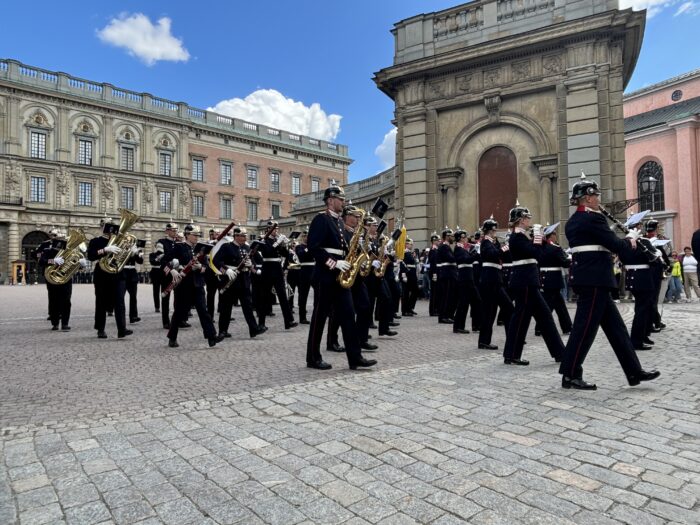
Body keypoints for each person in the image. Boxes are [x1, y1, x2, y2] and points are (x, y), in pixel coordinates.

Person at [559, 175, 660, 389]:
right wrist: (631, 239)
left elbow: (600, 241)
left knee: (617, 329)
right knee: (584, 328)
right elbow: (616, 246)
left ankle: (634, 371)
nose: (598, 199)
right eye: (595, 195)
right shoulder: (593, 219)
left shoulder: (574, 221)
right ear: (586, 198)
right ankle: (570, 373)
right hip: (595, 278)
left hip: (591, 278)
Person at [305, 184, 377, 370]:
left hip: (341, 278)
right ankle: (313, 357)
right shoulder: (321, 219)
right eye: (340, 199)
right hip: (325, 276)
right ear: (330, 200)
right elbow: (313, 248)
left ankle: (355, 358)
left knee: (347, 316)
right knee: (319, 318)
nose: (343, 202)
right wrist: (333, 263)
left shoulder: (338, 222)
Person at [502, 204, 564, 365]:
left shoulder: (522, 236)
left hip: (528, 280)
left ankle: (560, 353)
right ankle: (512, 355)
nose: (530, 220)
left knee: (544, 318)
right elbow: (534, 252)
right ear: (521, 220)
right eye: (527, 218)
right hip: (524, 282)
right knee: (521, 319)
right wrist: (537, 236)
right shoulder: (516, 237)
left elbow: (540, 255)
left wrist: (541, 238)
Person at [163, 224, 223, 348]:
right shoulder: (178, 247)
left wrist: (200, 267)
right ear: (187, 235)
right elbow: (163, 261)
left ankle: (212, 337)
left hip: (198, 285)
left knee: (203, 312)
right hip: (183, 285)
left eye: (198, 235)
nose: (196, 237)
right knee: (179, 313)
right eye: (194, 235)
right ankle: (172, 337)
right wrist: (172, 270)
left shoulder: (201, 249)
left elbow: (207, 268)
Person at [213, 227, 267, 339]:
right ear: (236, 236)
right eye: (243, 236)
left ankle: (254, 329)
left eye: (245, 235)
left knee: (247, 306)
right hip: (230, 279)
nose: (245, 238)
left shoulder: (247, 247)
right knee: (226, 307)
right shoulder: (226, 247)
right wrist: (226, 270)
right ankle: (223, 331)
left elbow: (252, 262)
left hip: (244, 280)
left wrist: (251, 266)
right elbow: (216, 261)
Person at [87, 218, 131, 339]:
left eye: (112, 226)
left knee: (120, 302)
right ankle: (100, 329)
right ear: (101, 228)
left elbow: (124, 257)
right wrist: (104, 250)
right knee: (101, 302)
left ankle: (122, 329)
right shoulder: (96, 241)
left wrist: (130, 250)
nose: (109, 229)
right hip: (102, 274)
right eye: (106, 226)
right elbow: (90, 256)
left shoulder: (119, 240)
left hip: (117, 274)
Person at [478, 217, 513, 350]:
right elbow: (493, 255)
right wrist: (505, 247)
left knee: (495, 311)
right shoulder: (486, 243)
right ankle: (485, 341)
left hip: (495, 279)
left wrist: (506, 248)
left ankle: (486, 341)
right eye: (493, 230)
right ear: (488, 231)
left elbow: (502, 255)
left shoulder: (493, 242)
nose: (495, 233)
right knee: (495, 310)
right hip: (490, 280)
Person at [258, 220, 297, 330]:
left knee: (283, 296)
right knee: (264, 297)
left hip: (277, 269)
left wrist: (285, 245)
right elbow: (268, 251)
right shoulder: (263, 240)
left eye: (276, 229)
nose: (276, 231)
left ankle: (288, 321)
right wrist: (277, 243)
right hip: (267, 269)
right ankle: (261, 323)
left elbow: (285, 254)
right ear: (268, 229)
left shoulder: (276, 240)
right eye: (274, 229)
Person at [39, 230, 81, 331]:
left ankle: (65, 323)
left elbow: (73, 264)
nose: (62, 241)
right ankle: (55, 323)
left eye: (63, 239)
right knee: (54, 301)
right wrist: (53, 261)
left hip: (66, 279)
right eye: (59, 240)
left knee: (66, 301)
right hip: (52, 279)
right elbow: (41, 261)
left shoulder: (69, 253)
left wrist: (80, 264)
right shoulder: (48, 251)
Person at [537, 224, 572, 335]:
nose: (556, 236)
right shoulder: (555, 249)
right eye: (554, 234)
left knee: (559, 305)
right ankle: (540, 328)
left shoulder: (541, 248)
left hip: (545, 279)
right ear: (550, 236)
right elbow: (564, 263)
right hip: (553, 280)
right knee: (549, 306)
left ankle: (567, 327)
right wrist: (571, 258)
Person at [452, 228, 481, 335]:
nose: (466, 239)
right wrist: (477, 253)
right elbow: (467, 260)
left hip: (469, 278)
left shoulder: (464, 249)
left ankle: (476, 325)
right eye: (464, 237)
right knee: (463, 303)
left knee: (476, 300)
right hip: (464, 279)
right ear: (459, 239)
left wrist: (474, 251)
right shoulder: (458, 249)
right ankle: (458, 326)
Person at [157, 223, 179, 328]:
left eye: (176, 230)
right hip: (166, 273)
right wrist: (170, 268)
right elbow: (160, 258)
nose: (175, 232)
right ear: (167, 231)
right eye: (173, 230)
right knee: (166, 297)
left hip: (179, 273)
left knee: (179, 297)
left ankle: (180, 319)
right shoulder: (161, 243)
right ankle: (166, 321)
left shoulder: (179, 243)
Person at [436, 227, 457, 324]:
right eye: (452, 236)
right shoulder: (444, 246)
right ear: (447, 236)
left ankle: (448, 315)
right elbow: (450, 258)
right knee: (445, 296)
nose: (453, 238)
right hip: (447, 273)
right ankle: (443, 316)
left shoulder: (447, 246)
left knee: (450, 295)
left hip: (450, 273)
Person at [295, 230, 314, 324]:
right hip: (305, 270)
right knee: (303, 295)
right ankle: (302, 317)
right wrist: (309, 247)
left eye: (308, 236)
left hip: (314, 270)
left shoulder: (313, 246)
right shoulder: (299, 247)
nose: (307, 238)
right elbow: (301, 255)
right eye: (305, 236)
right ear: (303, 237)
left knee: (319, 293)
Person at [123, 242, 144, 323]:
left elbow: (140, 261)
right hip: (123, 272)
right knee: (120, 297)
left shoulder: (137, 250)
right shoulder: (122, 248)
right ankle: (120, 316)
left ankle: (133, 316)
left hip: (132, 273)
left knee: (133, 296)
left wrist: (138, 253)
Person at [400, 239, 419, 316]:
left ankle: (410, 307)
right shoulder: (404, 252)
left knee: (415, 291)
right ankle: (405, 310)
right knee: (406, 293)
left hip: (412, 274)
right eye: (410, 244)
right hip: (408, 274)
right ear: (406, 244)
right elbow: (402, 264)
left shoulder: (410, 253)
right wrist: (403, 274)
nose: (412, 245)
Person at [428, 233, 440, 316]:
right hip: (434, 273)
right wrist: (434, 273)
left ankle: (436, 309)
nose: (439, 242)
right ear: (434, 241)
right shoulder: (433, 250)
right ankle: (433, 310)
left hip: (436, 272)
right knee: (434, 292)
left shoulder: (436, 250)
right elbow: (434, 263)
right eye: (437, 240)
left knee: (436, 291)